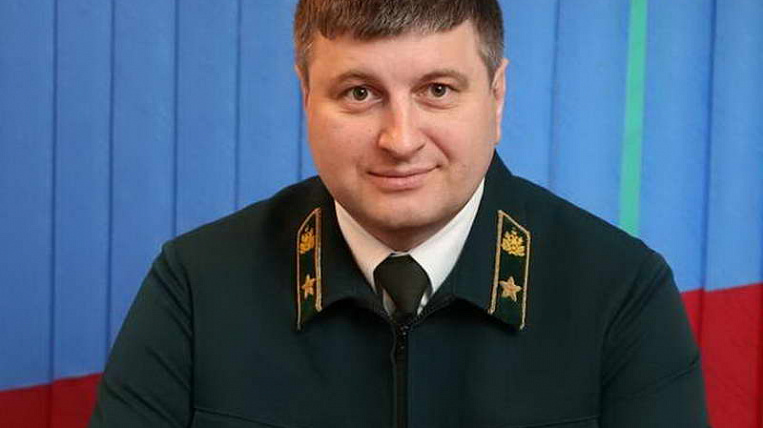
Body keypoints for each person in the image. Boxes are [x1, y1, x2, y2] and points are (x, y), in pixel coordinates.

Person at [90, 0, 709, 427]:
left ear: (497, 97)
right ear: (306, 96)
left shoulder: (620, 293)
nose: (400, 139)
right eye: (359, 93)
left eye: (437, 90)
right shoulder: (197, 285)